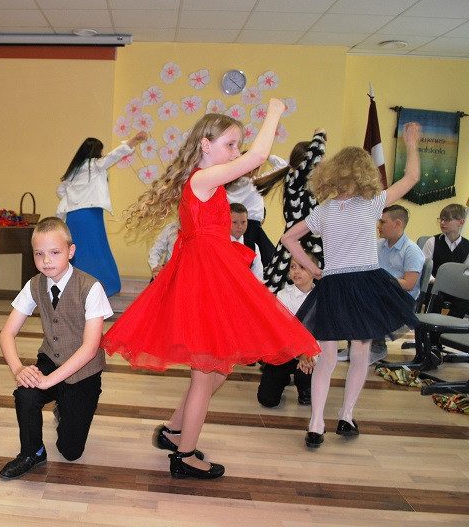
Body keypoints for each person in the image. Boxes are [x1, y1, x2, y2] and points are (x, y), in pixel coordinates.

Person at [101, 99, 319, 480]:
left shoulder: (207, 182)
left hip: (212, 277)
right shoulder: (202, 180)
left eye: (237, 146)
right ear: (205, 144)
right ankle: (184, 456)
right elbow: (259, 156)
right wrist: (274, 111)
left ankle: (174, 431)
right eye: (230, 144)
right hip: (205, 281)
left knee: (219, 367)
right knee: (205, 372)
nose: (235, 152)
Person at [281, 122, 422, 449]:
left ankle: (316, 424)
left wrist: (313, 268)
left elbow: (288, 238)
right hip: (365, 284)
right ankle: (346, 415)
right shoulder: (372, 203)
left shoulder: (324, 210)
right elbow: (412, 178)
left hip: (333, 285)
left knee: (327, 357)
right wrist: (411, 143)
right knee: (360, 352)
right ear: (363, 173)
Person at [0, 217, 112, 480]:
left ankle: (64, 409)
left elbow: (90, 348)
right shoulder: (34, 284)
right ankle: (32, 452)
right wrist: (19, 369)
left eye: (54, 252)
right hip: (50, 359)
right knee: (25, 394)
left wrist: (49, 381)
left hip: (83, 372)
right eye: (39, 254)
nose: (46, 260)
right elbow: (7, 333)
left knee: (71, 451)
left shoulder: (90, 287)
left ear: (70, 251)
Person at [55, 131, 148, 296]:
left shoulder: (73, 171)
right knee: (97, 250)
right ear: (97, 151)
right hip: (90, 215)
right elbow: (115, 155)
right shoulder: (95, 165)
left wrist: (76, 198)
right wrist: (134, 140)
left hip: (73, 217)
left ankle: (75, 287)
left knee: (76, 251)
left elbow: (60, 191)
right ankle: (103, 286)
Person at [339, 204, 425, 363]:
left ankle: (377, 348)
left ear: (397, 224)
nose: (378, 226)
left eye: (382, 222)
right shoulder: (378, 245)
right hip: (380, 293)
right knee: (348, 293)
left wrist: (380, 281)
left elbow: (409, 284)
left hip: (401, 300)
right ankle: (355, 345)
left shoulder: (411, 250)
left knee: (365, 299)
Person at [261, 129, 327, 294]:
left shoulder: (305, 189)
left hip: (311, 249)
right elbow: (312, 157)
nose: (322, 167)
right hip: (296, 248)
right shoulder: (294, 183)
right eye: (319, 164)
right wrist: (320, 135)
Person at [257, 254, 317, 408]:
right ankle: (284, 378)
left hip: (311, 355)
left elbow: (324, 335)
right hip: (286, 352)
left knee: (307, 393)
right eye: (293, 267)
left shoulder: (321, 298)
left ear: (314, 270)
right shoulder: (283, 295)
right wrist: (300, 354)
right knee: (267, 400)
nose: (296, 271)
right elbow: (283, 332)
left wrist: (309, 355)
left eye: (302, 267)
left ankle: (305, 387)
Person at [225, 165, 274, 262]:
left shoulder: (227, 186)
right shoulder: (254, 183)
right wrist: (265, 157)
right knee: (269, 259)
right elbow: (282, 165)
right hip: (252, 228)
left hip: (230, 227)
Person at [422, 203, 468, 277]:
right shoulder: (432, 242)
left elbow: (466, 274)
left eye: (447, 219)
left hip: (456, 283)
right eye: (441, 219)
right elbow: (423, 268)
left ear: (461, 222)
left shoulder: (467, 246)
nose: (442, 223)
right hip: (432, 282)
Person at [230, 202, 263, 281]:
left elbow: (258, 277)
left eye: (243, 222)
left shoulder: (253, 247)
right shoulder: (217, 244)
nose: (239, 226)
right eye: (234, 222)